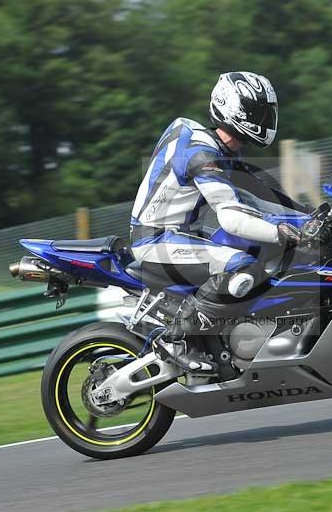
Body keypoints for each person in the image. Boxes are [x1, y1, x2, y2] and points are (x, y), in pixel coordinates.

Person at [129, 71, 304, 373]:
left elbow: (262, 194)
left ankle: (230, 339)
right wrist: (280, 232)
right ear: (239, 112)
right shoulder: (202, 154)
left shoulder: (213, 145)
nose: (267, 120)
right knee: (242, 267)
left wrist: (313, 215)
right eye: (260, 113)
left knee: (254, 248)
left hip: (183, 234)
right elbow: (231, 216)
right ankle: (177, 340)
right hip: (156, 240)